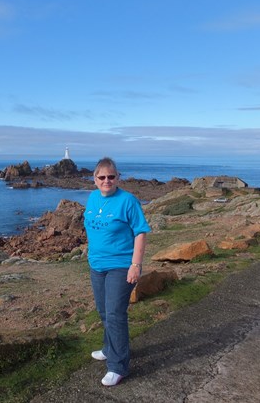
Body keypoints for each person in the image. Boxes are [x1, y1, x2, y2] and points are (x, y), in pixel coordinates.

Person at [83, 157, 151, 386]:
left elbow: (140, 232)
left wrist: (136, 265)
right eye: (102, 177)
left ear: (118, 177)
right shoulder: (92, 198)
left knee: (114, 313)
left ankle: (118, 365)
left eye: (111, 176)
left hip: (121, 266)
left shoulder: (128, 201)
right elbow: (92, 229)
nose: (107, 181)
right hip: (97, 265)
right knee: (104, 312)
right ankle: (108, 347)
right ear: (94, 180)